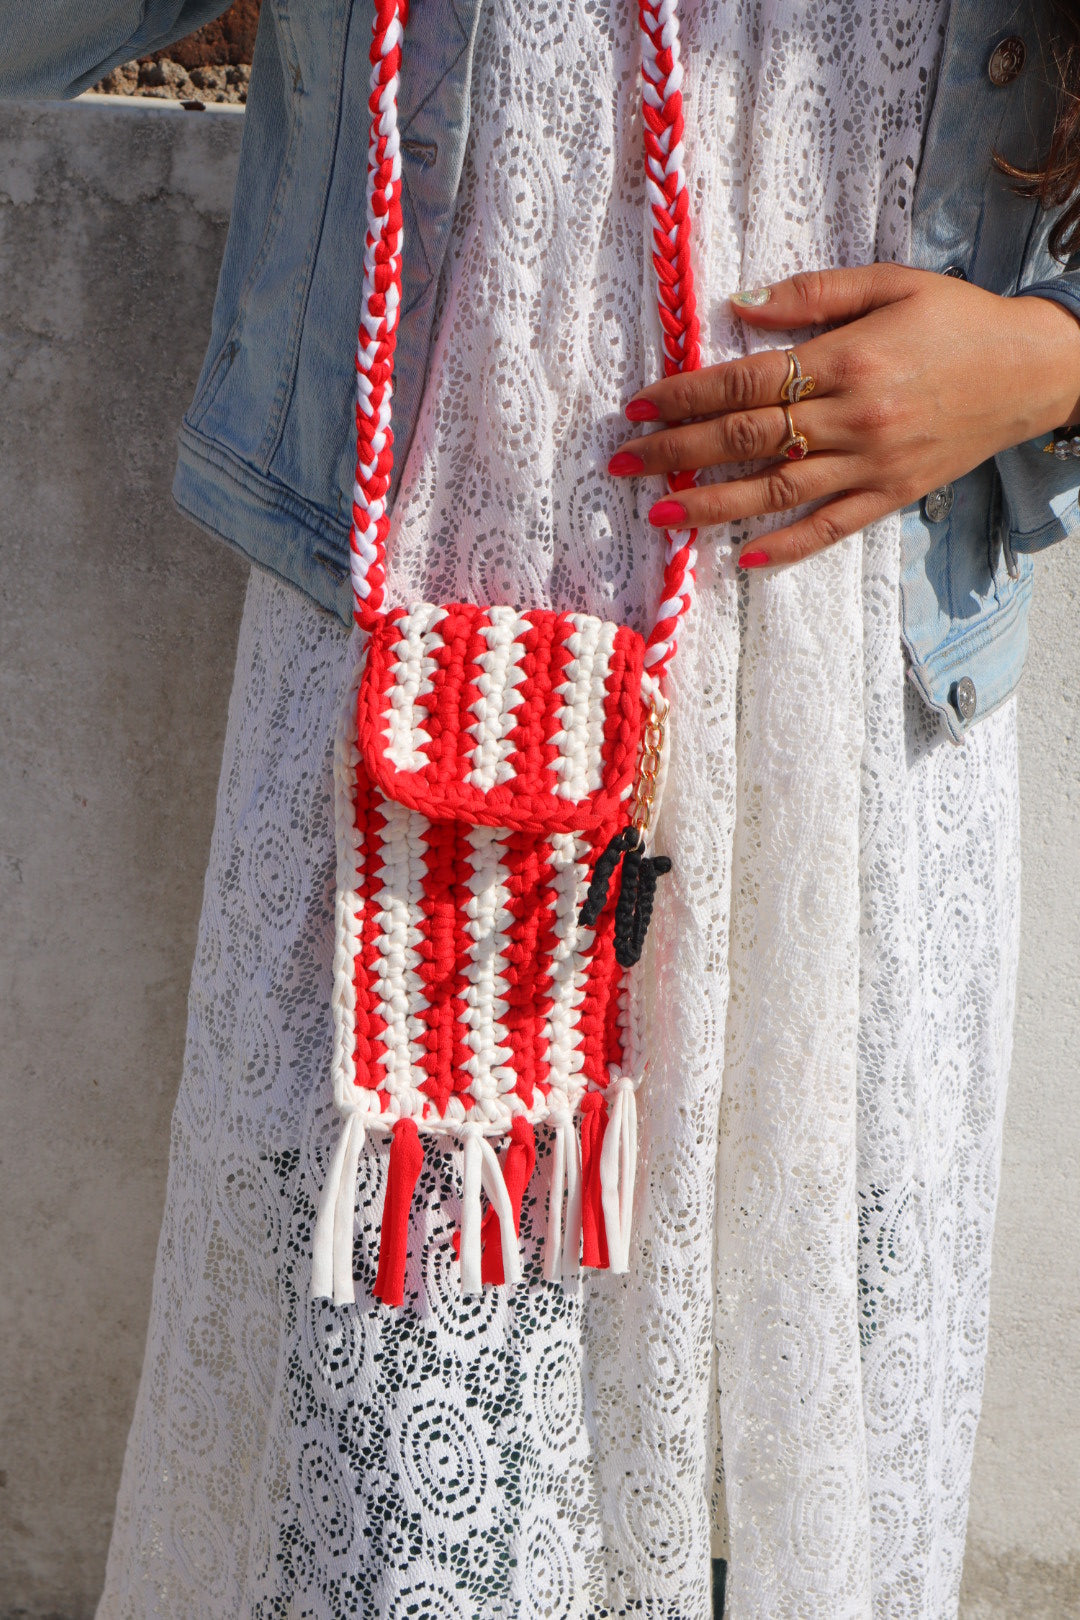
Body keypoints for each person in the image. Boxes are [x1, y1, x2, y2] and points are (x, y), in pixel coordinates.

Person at [4, 0, 1079, 1615]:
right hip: (422, 801)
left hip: (851, 785)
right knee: (414, 1515)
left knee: (793, 1491)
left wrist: (1047, 362)